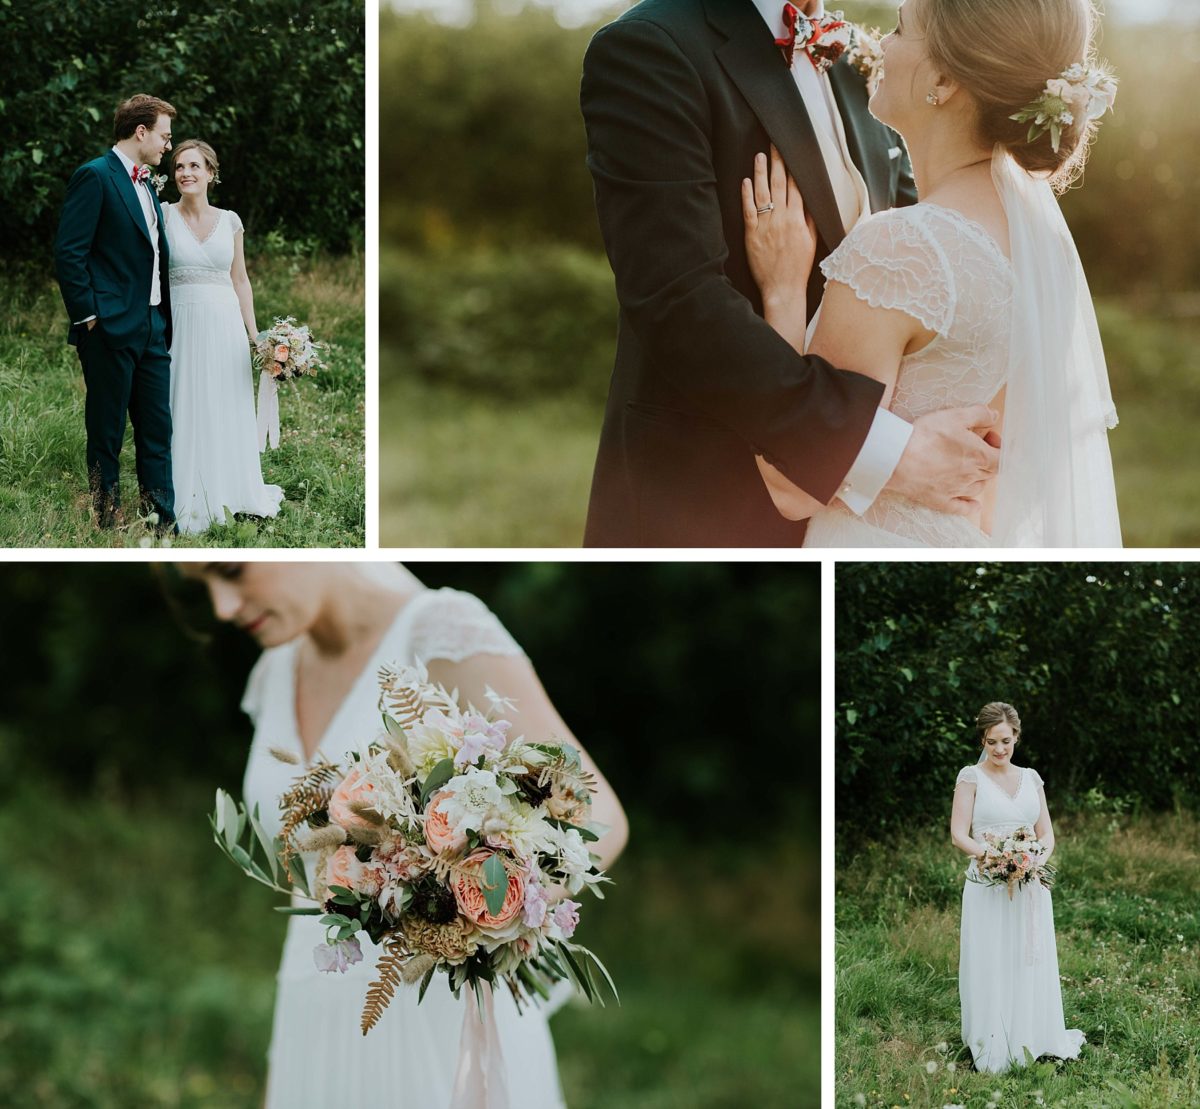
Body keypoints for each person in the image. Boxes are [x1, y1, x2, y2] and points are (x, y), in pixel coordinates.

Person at [186, 562, 628, 1108]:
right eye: (201, 585)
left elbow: (596, 813)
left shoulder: (441, 629)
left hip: (437, 1015)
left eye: (230, 570)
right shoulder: (275, 667)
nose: (222, 607)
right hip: (316, 1000)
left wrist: (478, 908)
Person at [580, 0, 1001, 547]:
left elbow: (919, 266)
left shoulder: (864, 61)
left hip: (871, 520)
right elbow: (677, 300)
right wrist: (887, 453)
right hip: (705, 505)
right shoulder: (652, 48)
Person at [745, 0, 1122, 546]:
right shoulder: (1039, 247)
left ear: (943, 79)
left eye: (900, 28)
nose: (880, 43)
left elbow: (791, 485)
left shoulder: (903, 248)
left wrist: (780, 294)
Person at [55, 93, 177, 531]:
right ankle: (107, 516)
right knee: (107, 431)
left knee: (157, 429)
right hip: (108, 326)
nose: (168, 145)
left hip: (152, 325)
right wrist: (89, 316)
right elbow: (69, 253)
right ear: (140, 132)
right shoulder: (95, 176)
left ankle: (161, 519)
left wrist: (160, 319)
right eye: (164, 136)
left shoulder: (145, 182)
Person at [950, 702, 1084, 1072]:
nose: (999, 750)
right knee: (992, 957)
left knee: (1029, 957)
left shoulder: (1032, 777)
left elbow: (1047, 832)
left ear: (1016, 738)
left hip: (1029, 885)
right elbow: (959, 834)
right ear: (982, 740)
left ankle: (1032, 1035)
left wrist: (1032, 860)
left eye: (1006, 741)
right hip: (988, 884)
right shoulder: (970, 777)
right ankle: (994, 1040)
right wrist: (993, 857)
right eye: (991, 742)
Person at [164, 141, 284, 533]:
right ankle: (188, 494)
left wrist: (255, 336)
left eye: (195, 166)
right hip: (182, 321)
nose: (186, 173)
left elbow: (240, 279)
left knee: (224, 401)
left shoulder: (230, 221)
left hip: (224, 322)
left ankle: (231, 489)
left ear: (211, 173)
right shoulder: (162, 217)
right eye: (180, 166)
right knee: (184, 401)